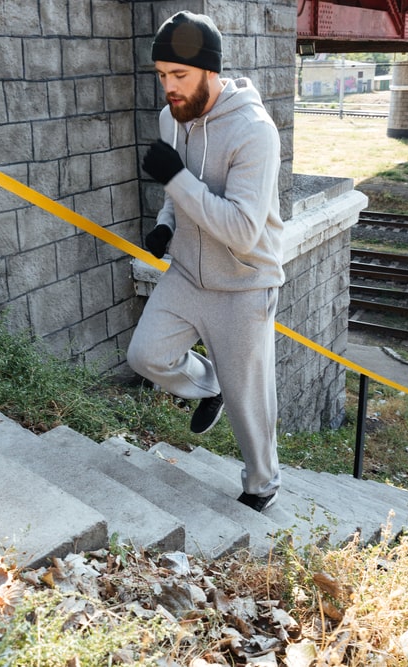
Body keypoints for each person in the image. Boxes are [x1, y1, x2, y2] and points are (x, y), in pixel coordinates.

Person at [127, 11, 285, 513]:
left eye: (180, 76)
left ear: (210, 72)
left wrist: (174, 181)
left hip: (243, 284)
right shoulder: (169, 120)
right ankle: (209, 383)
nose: (168, 89)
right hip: (188, 275)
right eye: (161, 76)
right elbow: (181, 192)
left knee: (250, 404)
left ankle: (263, 485)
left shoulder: (255, 132)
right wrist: (166, 224)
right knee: (145, 356)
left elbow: (242, 228)